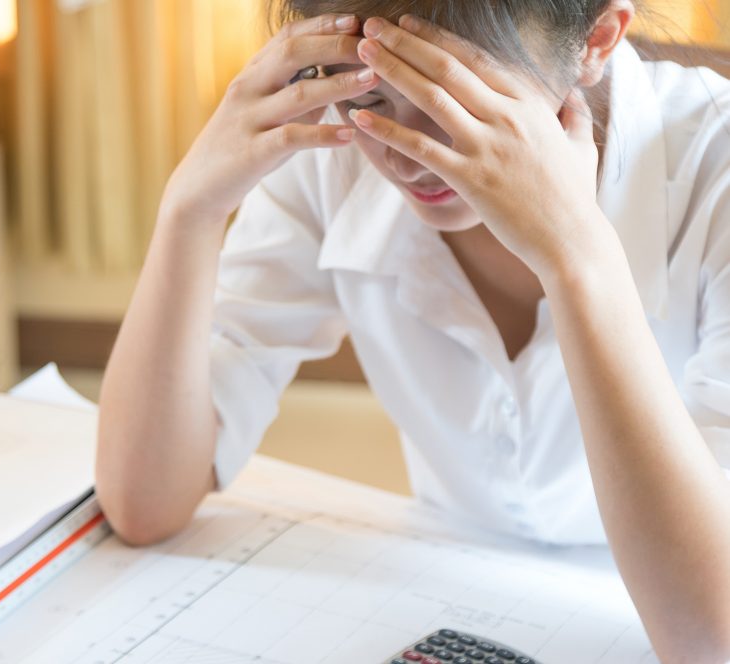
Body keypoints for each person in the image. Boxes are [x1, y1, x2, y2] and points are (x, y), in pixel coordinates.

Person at [96, 0, 730, 660]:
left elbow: (711, 639)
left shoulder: (716, 168)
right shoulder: (332, 148)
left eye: (456, 106)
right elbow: (143, 502)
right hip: (445, 589)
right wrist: (190, 209)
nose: (409, 156)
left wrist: (577, 258)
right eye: (370, 100)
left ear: (597, 38)